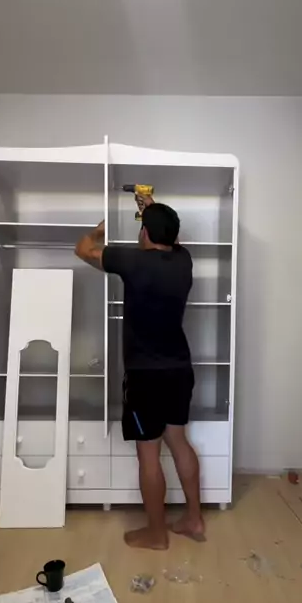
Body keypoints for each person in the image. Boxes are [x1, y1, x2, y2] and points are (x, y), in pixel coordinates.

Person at [75, 196, 205, 550]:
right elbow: (172, 239)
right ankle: (194, 519)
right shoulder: (184, 261)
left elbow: (82, 250)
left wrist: (98, 232)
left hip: (146, 376)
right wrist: (153, 208)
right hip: (179, 369)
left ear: (144, 233)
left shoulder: (132, 260)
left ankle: (157, 534)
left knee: (149, 455)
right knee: (179, 441)